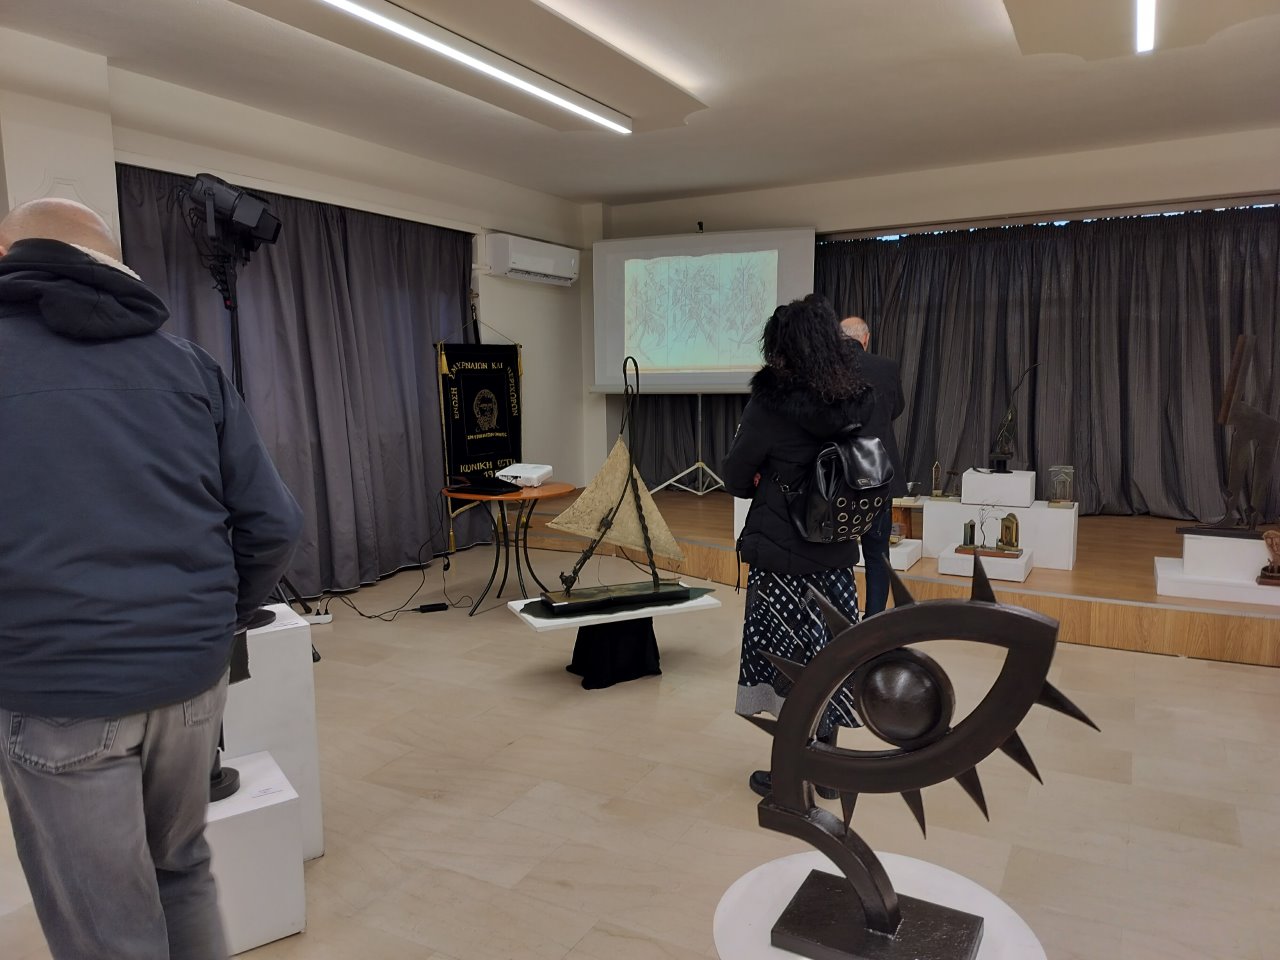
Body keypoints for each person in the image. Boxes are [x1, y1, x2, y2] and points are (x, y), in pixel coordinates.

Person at [0, 198, 303, 960]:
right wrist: (217, 620)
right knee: (182, 871)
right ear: (114, 264)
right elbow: (276, 524)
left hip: (60, 691)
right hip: (191, 683)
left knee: (109, 926)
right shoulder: (188, 364)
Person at [723, 294, 874, 797]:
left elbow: (737, 476)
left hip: (782, 558)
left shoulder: (769, 404)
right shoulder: (855, 398)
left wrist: (766, 475)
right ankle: (827, 772)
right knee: (830, 657)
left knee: (785, 662)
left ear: (782, 346)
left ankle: (789, 773)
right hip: (835, 551)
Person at [840, 315, 907, 616]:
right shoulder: (887, 367)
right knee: (878, 553)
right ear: (866, 339)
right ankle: (874, 620)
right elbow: (897, 407)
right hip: (878, 471)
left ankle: (841, 616)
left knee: (836, 551)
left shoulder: (828, 368)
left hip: (839, 473)